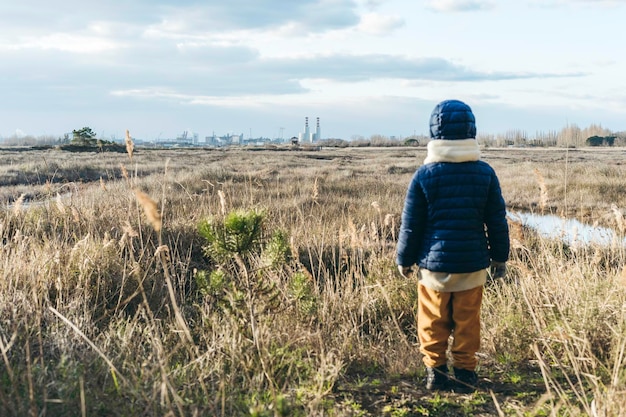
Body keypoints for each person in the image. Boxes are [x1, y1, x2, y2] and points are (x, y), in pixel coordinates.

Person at [396, 99, 510, 393]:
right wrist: (500, 259)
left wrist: (404, 259)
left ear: (434, 133)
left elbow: (411, 224)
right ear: (472, 131)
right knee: (467, 322)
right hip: (472, 266)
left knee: (432, 321)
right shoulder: (485, 173)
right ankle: (465, 374)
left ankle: (436, 372)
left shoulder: (424, 175)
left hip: (434, 269)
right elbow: (496, 221)